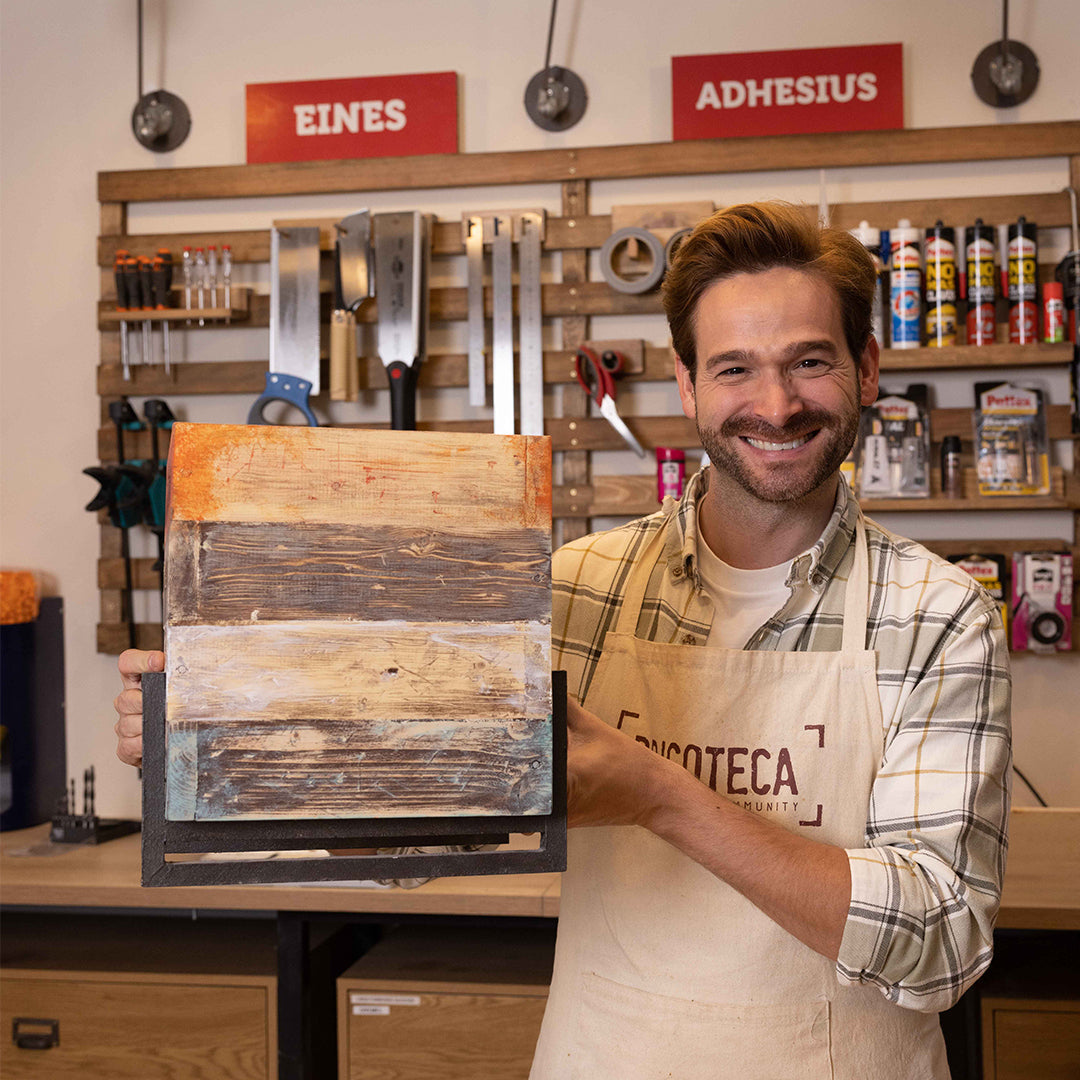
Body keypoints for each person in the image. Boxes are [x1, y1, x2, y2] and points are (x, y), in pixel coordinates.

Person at [113, 201, 1011, 1080]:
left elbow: (937, 944)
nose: (774, 405)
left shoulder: (938, 615)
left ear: (867, 366)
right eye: (734, 369)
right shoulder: (578, 591)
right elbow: (426, 835)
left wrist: (660, 797)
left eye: (808, 361)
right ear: (689, 383)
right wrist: (222, 725)